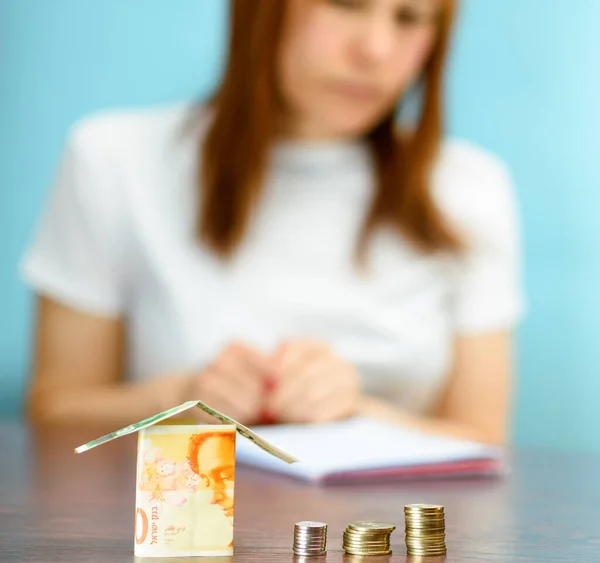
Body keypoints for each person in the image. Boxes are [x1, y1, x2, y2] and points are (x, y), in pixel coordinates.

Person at [20, 0, 524, 445]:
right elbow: (53, 413)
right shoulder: (112, 160)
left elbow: (483, 439)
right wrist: (181, 399)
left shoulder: (470, 186)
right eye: (344, 3)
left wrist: (358, 414)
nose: (375, 49)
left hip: (384, 543)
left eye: (410, 16)